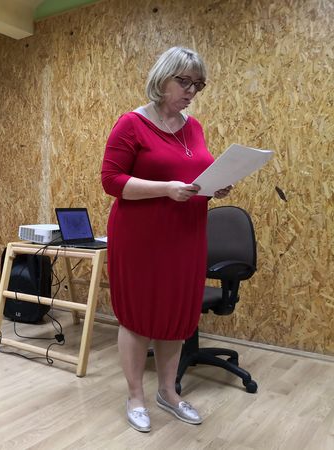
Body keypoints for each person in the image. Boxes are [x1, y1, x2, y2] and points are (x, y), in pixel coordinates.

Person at [101, 46, 232, 433]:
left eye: (198, 85)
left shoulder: (195, 127)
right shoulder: (131, 124)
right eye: (185, 82)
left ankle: (168, 393)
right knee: (139, 316)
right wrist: (165, 189)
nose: (191, 91)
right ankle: (135, 396)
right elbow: (112, 181)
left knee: (175, 317)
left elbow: (195, 176)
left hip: (186, 235)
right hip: (141, 238)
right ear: (162, 79)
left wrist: (214, 187)